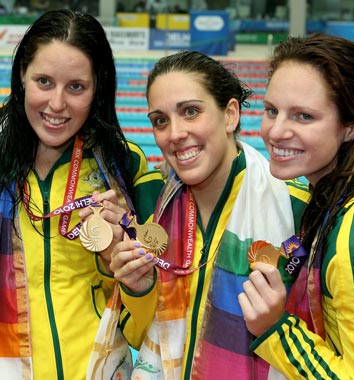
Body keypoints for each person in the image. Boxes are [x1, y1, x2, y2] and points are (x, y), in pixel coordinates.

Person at [0, 9, 164, 380]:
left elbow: (148, 330)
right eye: (44, 81)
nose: (56, 104)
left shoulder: (126, 167)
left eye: (76, 87)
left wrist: (129, 272)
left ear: (97, 87)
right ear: (22, 76)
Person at [103, 50, 309, 379]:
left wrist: (276, 323)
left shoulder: (295, 210)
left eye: (190, 112)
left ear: (230, 115)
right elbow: (140, 337)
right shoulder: (151, 202)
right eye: (160, 120)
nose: (174, 133)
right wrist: (138, 290)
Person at [238, 33, 354, 378]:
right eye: (272, 110)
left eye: (303, 117)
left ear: (350, 126)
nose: (275, 132)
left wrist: (274, 329)